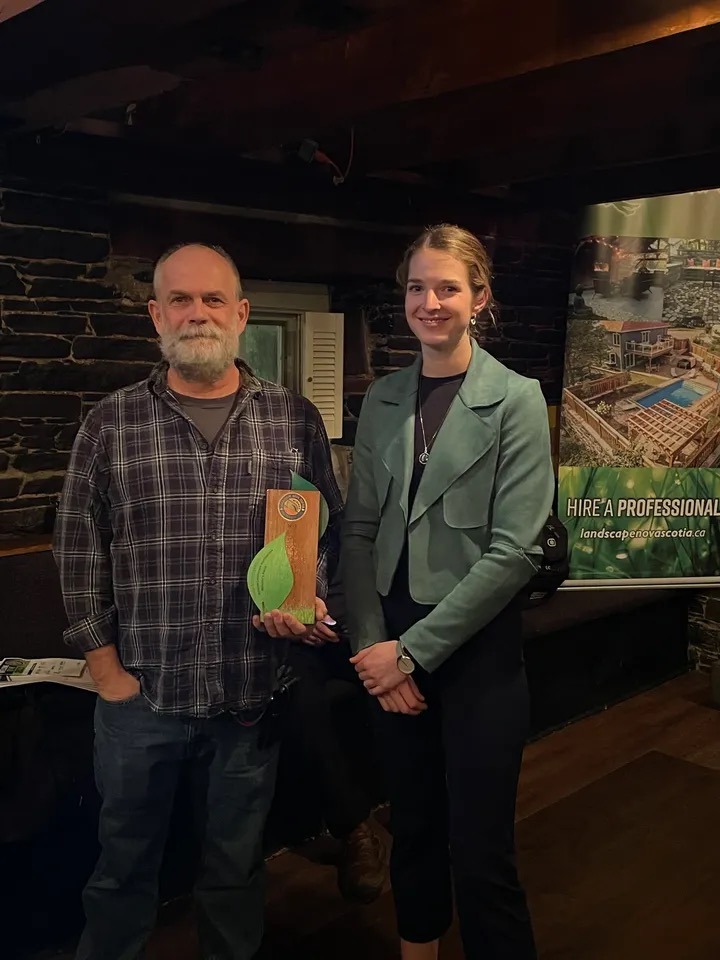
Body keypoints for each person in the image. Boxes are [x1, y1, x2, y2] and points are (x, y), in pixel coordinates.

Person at [53, 242, 343, 960]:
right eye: (180, 300)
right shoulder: (110, 424)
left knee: (235, 873)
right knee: (122, 870)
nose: (197, 314)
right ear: (156, 315)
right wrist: (105, 670)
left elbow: (327, 535)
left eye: (213, 300)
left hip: (249, 695)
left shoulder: (294, 420)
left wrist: (310, 609)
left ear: (242, 315)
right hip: (141, 699)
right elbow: (77, 546)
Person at [341, 224, 554, 960]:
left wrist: (410, 655)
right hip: (388, 640)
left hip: (475, 652)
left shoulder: (518, 400)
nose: (429, 302)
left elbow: (515, 551)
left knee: (482, 849)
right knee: (415, 826)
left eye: (447, 288)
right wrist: (373, 645)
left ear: (479, 298)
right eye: (416, 287)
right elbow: (359, 531)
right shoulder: (384, 399)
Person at [282, 570, 388, 903]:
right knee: (298, 700)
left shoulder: (346, 515)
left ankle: (422, 798)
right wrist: (297, 618)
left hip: (349, 617)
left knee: (405, 672)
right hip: (280, 630)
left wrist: (326, 614)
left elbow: (360, 554)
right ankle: (354, 827)